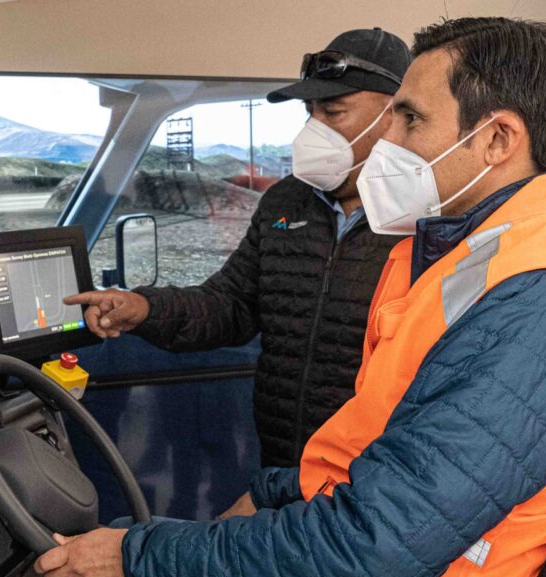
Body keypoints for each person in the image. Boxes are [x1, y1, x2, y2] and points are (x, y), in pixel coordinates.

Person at [15, 17, 546, 577]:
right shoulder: (476, 258)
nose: (389, 142)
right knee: (115, 571)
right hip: (368, 574)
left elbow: (378, 540)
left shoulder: (540, 299)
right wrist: (273, 494)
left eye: (409, 119)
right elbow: (396, 456)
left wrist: (137, 561)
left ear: (497, 139)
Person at [65, 28, 412, 471]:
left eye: (334, 111)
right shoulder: (287, 201)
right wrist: (145, 308)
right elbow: (229, 305)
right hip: (284, 460)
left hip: (376, 472)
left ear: (396, 114)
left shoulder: (432, 219)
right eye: (310, 112)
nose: (313, 129)